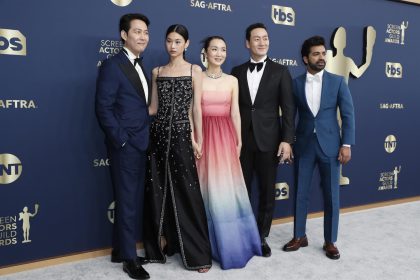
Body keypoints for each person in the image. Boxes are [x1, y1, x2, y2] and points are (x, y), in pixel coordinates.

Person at [143, 24, 212, 273]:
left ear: (187, 44)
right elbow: (153, 108)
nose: (172, 46)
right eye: (169, 41)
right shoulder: (157, 71)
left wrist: (198, 139)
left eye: (177, 41)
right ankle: (162, 245)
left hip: (183, 135)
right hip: (158, 136)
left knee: (187, 192)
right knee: (158, 190)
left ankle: (198, 255)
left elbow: (196, 109)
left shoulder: (195, 70)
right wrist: (126, 111)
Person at [282, 36, 355, 260]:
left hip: (331, 145)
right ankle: (299, 235)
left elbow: (348, 114)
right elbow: (289, 117)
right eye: (316, 54)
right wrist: (289, 143)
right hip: (304, 145)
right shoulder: (295, 83)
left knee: (332, 195)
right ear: (305, 58)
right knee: (300, 193)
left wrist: (346, 143)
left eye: (323, 53)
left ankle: (330, 241)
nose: (321, 57)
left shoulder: (337, 81)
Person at [196, 36, 262, 269]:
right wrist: (196, 139)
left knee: (228, 190)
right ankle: (207, 247)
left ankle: (235, 243)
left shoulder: (232, 80)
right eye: (214, 49)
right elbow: (191, 111)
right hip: (204, 136)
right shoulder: (197, 77)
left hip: (225, 136)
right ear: (205, 52)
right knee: (207, 190)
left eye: (223, 49)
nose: (219, 53)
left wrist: (239, 140)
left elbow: (235, 112)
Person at [231, 23, 295, 257]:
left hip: (270, 141)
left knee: (267, 192)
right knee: (242, 191)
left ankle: (261, 236)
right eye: (256, 39)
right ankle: (243, 233)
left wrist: (287, 140)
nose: (261, 42)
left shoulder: (280, 71)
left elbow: (288, 109)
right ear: (247, 43)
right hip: (242, 142)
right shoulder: (236, 71)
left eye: (265, 38)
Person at [95, 13, 151, 280]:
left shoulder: (142, 64)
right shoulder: (112, 65)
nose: (142, 36)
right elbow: (103, 108)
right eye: (137, 31)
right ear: (123, 35)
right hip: (126, 145)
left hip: (142, 142)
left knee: (131, 200)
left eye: (146, 32)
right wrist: (122, 139)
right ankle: (130, 259)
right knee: (128, 202)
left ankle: (120, 250)